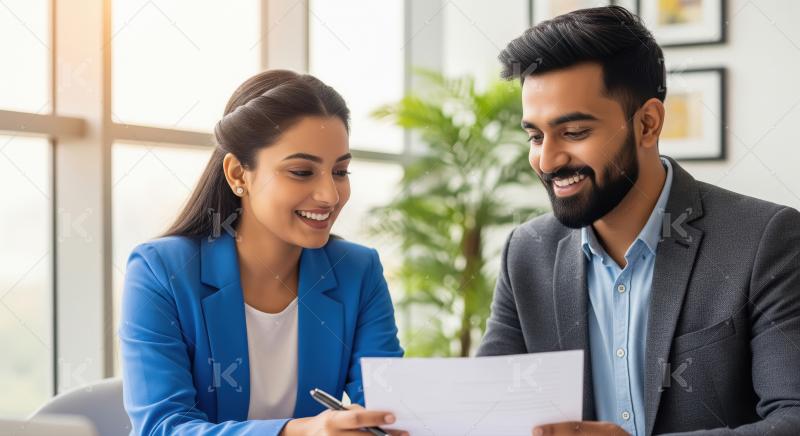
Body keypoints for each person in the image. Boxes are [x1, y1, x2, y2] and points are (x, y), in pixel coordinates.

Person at [476, 6, 800, 436]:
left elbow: (792, 419)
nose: (547, 160)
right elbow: (485, 412)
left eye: (574, 133)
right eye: (535, 136)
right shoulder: (527, 251)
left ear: (647, 124)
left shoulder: (765, 240)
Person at [119, 70, 406, 435]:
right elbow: (162, 428)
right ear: (239, 174)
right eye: (302, 171)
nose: (330, 196)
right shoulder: (161, 271)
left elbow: (389, 409)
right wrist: (296, 433)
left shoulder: (358, 271)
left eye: (340, 171)